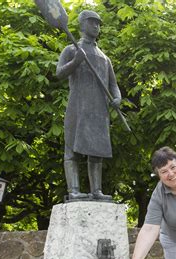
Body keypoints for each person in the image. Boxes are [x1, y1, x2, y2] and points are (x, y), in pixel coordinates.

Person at [56, 10, 121, 201]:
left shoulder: (104, 58)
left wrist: (117, 98)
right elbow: (59, 73)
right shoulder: (71, 50)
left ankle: (96, 191)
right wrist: (76, 61)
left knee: (96, 153)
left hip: (99, 112)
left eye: (98, 24)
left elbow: (113, 86)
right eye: (92, 23)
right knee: (72, 150)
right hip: (77, 107)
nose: (96, 27)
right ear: (82, 24)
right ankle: (73, 190)